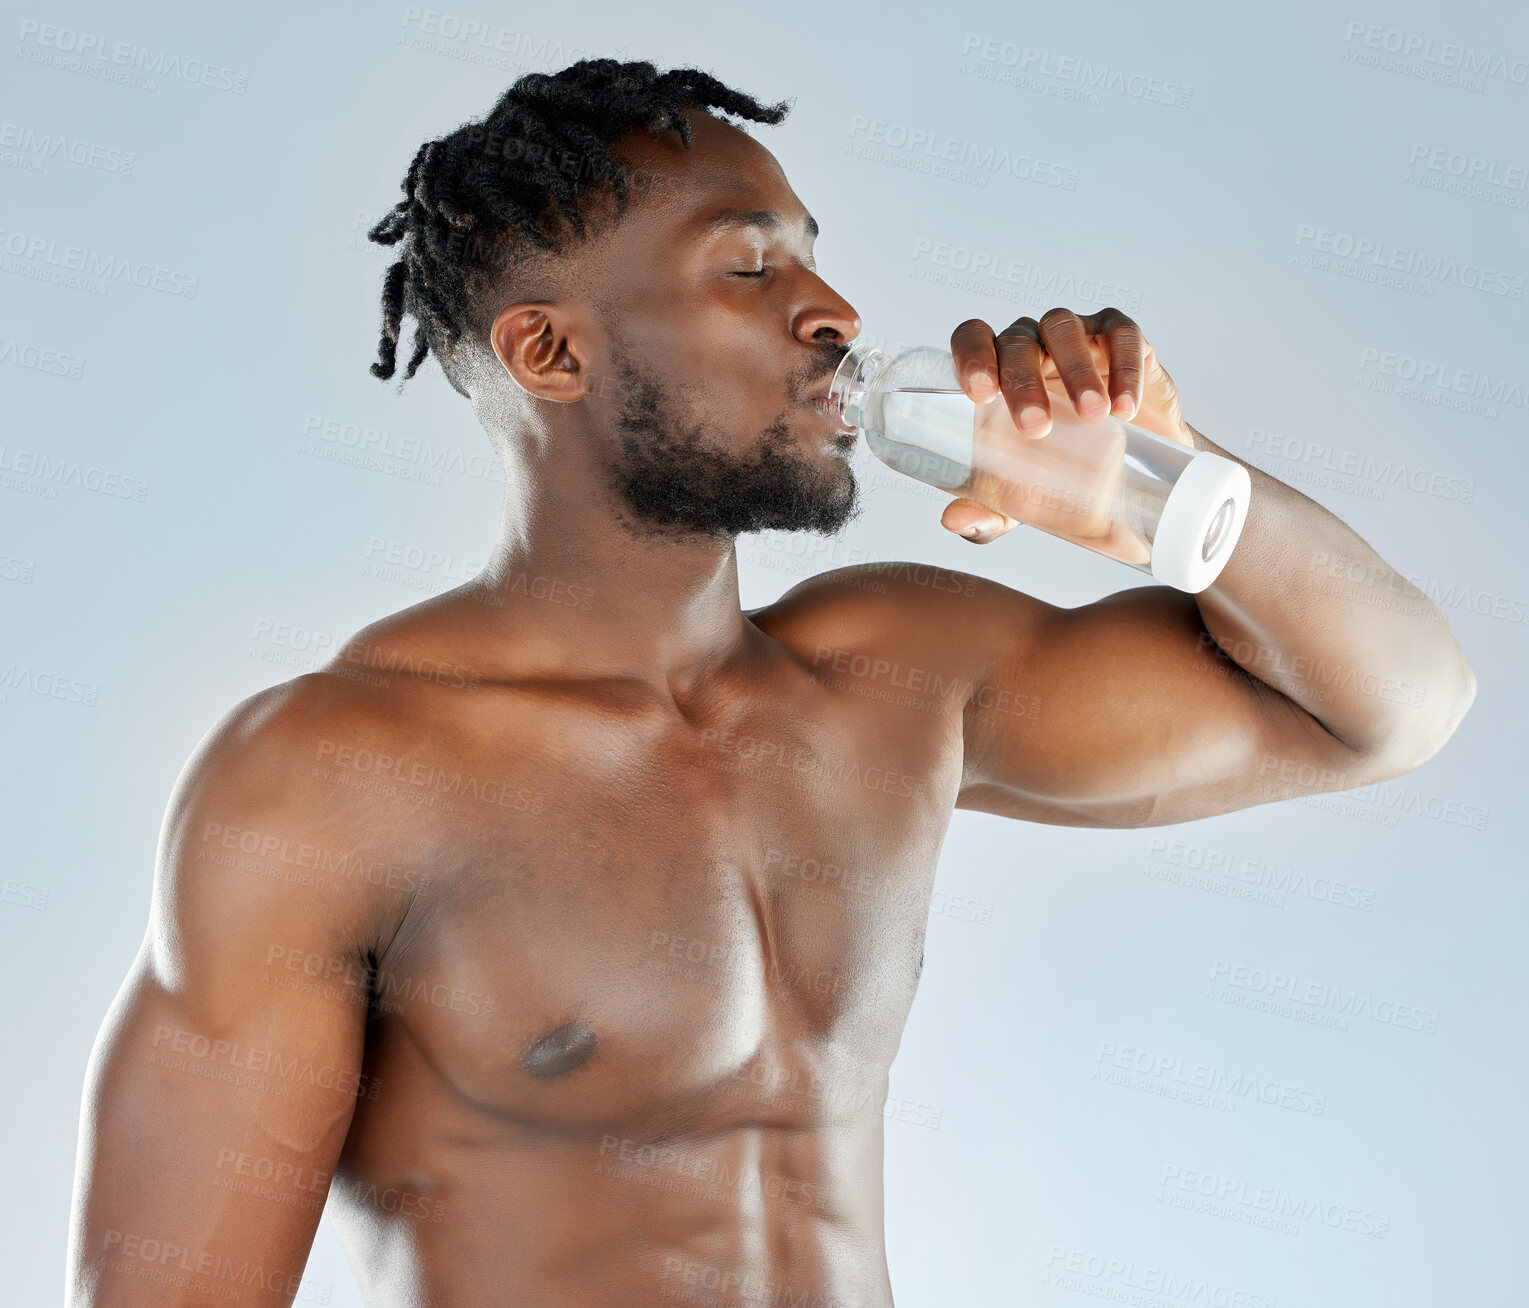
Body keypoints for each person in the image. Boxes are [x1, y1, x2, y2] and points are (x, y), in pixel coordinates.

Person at [65, 58, 1475, 1308]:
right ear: (549, 351)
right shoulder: (331, 773)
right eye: (747, 267)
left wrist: (1172, 496)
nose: (832, 311)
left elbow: (1391, 706)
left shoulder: (890, 682)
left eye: (811, 257)